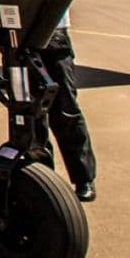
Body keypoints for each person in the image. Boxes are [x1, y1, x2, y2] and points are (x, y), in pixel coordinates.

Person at [40, 13, 97, 202]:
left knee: (66, 108)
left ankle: (84, 178)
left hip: (53, 32)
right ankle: (41, 174)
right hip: (16, 31)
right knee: (30, 113)